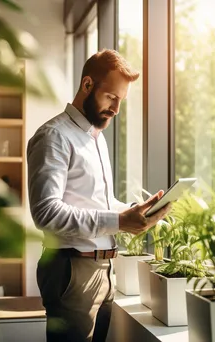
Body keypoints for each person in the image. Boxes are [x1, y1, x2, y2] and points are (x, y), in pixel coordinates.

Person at [27, 49, 171, 342]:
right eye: (111, 97)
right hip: (72, 269)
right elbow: (46, 213)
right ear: (88, 85)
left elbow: (97, 203)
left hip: (103, 270)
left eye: (121, 101)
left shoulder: (95, 138)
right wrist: (119, 221)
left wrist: (134, 211)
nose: (116, 109)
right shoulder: (54, 136)